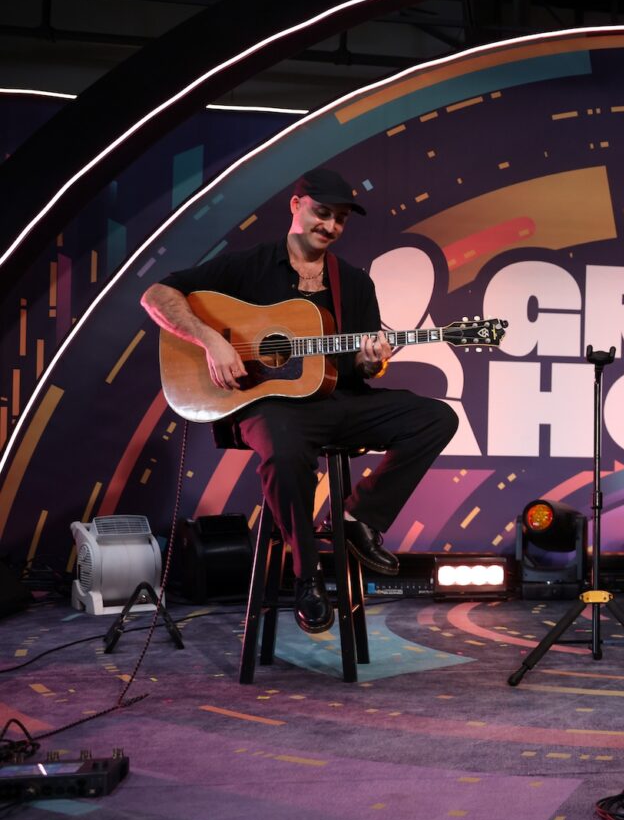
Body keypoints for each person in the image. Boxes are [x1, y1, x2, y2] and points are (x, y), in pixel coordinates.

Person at [142, 168, 458, 634]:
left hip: (338, 404)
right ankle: (307, 578)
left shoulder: (353, 283)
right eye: (322, 213)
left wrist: (372, 363)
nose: (330, 226)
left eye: (340, 220)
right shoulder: (248, 266)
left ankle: (355, 518)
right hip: (269, 407)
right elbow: (156, 295)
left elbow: (358, 368)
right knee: (286, 453)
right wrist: (212, 340)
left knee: (436, 417)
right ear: (296, 206)